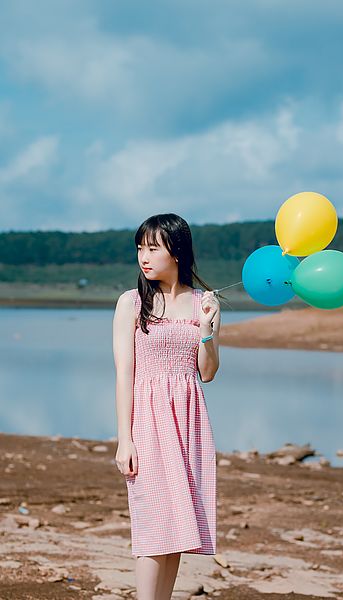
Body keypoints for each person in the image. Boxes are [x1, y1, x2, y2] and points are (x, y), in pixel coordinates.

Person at [112, 213, 222, 600]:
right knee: (152, 522)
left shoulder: (202, 303)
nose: (143, 256)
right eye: (140, 247)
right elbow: (125, 374)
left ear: (176, 251)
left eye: (152, 248)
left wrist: (207, 329)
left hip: (189, 420)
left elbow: (207, 372)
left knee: (178, 523)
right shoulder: (132, 302)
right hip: (147, 420)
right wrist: (124, 439)